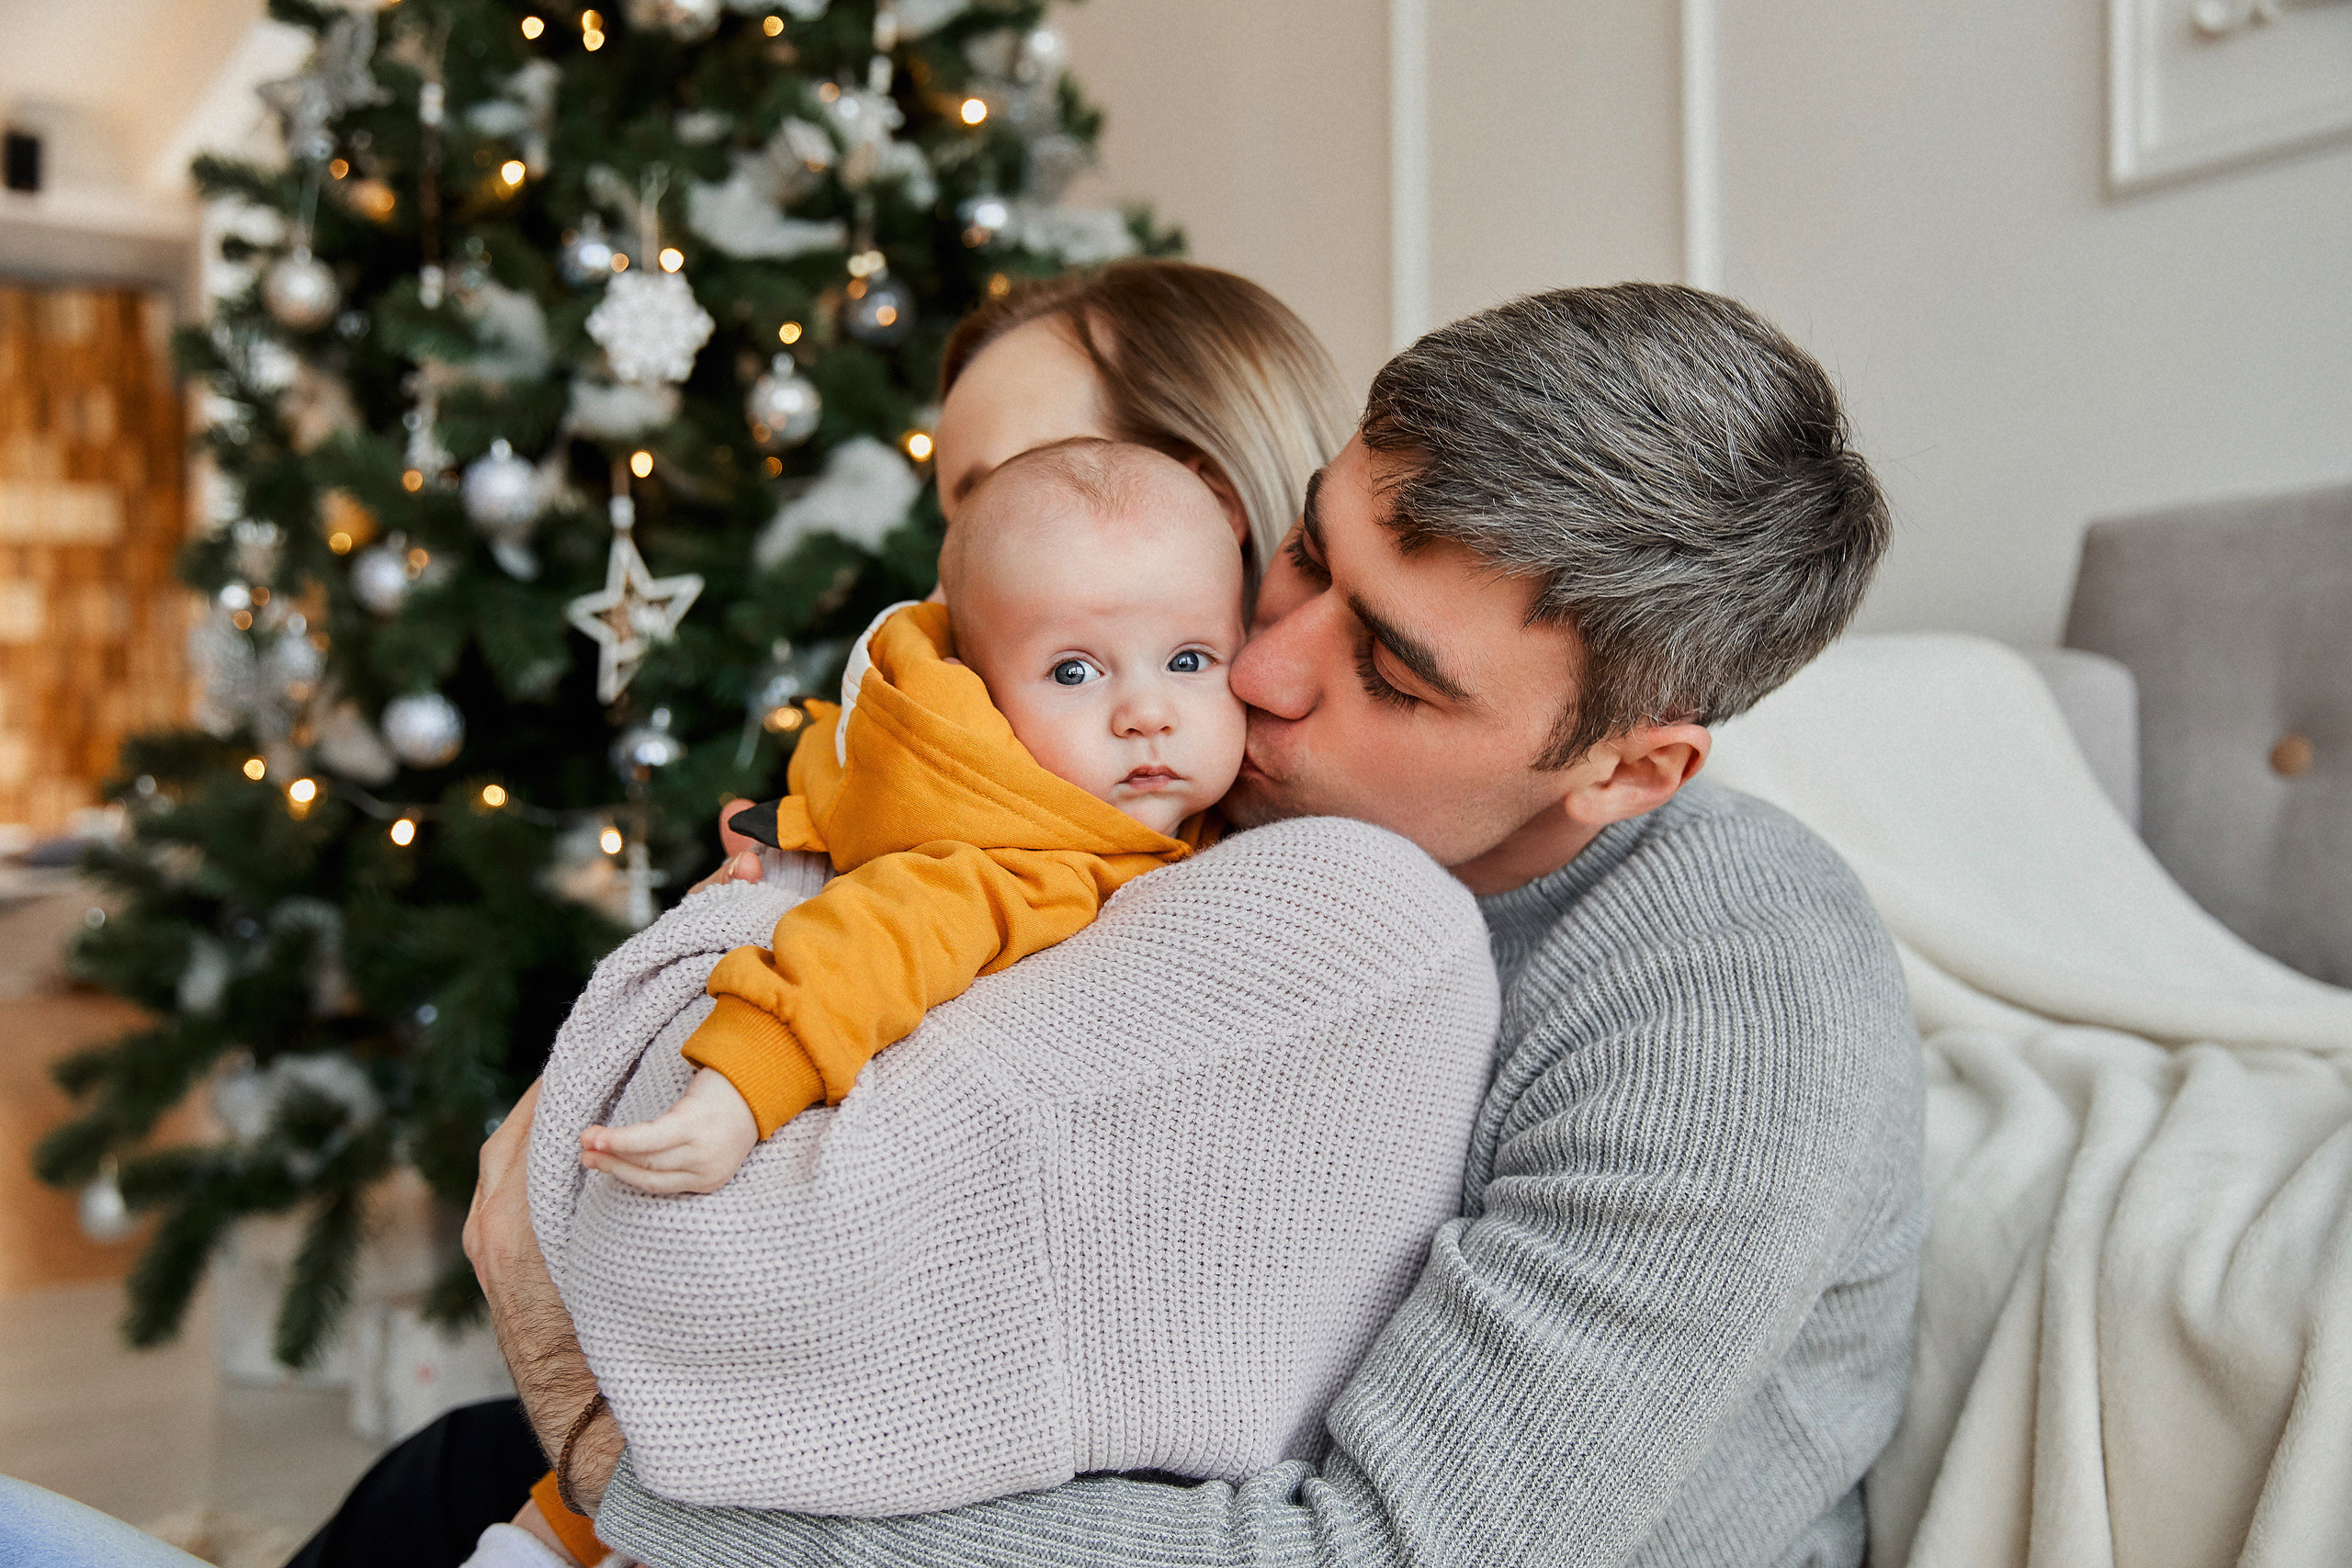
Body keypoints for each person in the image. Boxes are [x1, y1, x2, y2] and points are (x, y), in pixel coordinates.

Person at [319, 275, 1929, 1568]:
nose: (1264, 667)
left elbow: (1365, 1549)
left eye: (1391, 670)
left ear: (1625, 767)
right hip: (1011, 1441)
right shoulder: (1239, 796)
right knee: (431, 1482)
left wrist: (626, 1466)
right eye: (1304, 551)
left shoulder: (1730, 999)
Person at [579, 441, 1251, 1193]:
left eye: (1190, 660)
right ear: (982, 692)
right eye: (1073, 670)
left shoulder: (1199, 804)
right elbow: (872, 942)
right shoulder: (1015, 860)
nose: (1147, 713)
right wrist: (738, 1091)